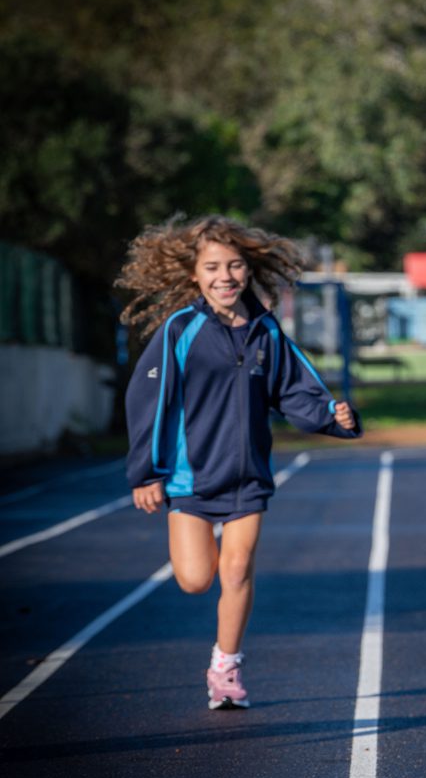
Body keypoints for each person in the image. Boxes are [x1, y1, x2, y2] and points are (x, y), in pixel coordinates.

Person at [119, 215, 362, 710]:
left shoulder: (265, 332)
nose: (224, 276)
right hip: (190, 480)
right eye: (213, 267)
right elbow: (147, 399)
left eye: (234, 266)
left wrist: (334, 418)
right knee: (194, 580)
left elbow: (295, 388)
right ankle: (220, 652)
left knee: (237, 570)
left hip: (247, 479)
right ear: (195, 274)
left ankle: (225, 667)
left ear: (249, 272)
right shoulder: (179, 330)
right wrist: (146, 472)